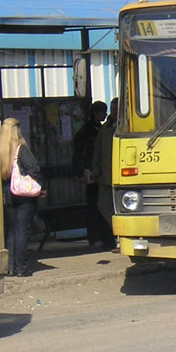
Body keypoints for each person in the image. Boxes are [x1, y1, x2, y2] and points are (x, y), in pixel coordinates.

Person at [0, 118, 43, 277]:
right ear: (16, 130)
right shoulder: (21, 149)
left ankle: (10, 267)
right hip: (23, 195)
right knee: (22, 230)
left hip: (7, 194)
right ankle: (21, 268)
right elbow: (34, 168)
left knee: (11, 231)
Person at [71, 101, 108, 244]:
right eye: (103, 112)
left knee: (99, 205)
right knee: (93, 206)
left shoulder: (99, 129)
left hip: (98, 172)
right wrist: (80, 172)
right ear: (96, 113)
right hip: (90, 173)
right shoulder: (87, 131)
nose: (105, 115)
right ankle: (95, 237)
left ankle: (102, 237)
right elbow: (78, 153)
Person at [90, 97, 118, 248]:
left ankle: (120, 237)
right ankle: (117, 232)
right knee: (103, 205)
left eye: (116, 109)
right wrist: (96, 170)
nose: (114, 112)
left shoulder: (126, 127)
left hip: (121, 176)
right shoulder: (105, 128)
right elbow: (98, 151)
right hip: (105, 175)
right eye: (113, 109)